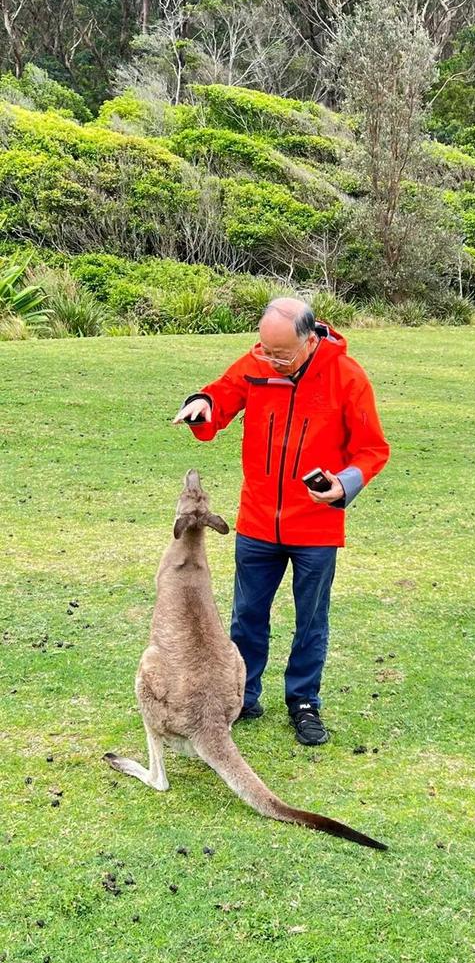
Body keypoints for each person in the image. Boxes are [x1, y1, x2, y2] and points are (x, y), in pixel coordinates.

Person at [173, 297, 390, 746]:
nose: (270, 360)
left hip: (315, 527)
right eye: (264, 350)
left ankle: (304, 702)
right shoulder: (257, 364)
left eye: (281, 354)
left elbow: (372, 450)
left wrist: (343, 484)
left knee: (311, 620)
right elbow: (221, 396)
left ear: (310, 341)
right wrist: (202, 404)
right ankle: (242, 695)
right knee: (247, 615)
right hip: (256, 522)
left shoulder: (347, 377)